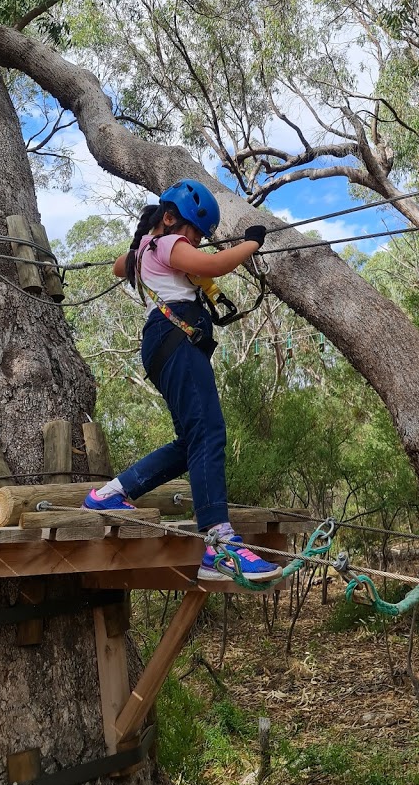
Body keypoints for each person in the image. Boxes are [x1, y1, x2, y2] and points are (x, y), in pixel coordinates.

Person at [83, 178, 282, 583]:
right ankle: (220, 547)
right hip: (176, 338)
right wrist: (251, 243)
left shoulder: (144, 249)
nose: (197, 243)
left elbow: (119, 266)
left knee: (191, 441)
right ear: (172, 219)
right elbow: (214, 265)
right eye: (196, 234)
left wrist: (141, 249)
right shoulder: (169, 242)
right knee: (208, 433)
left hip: (162, 344)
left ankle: (109, 494)